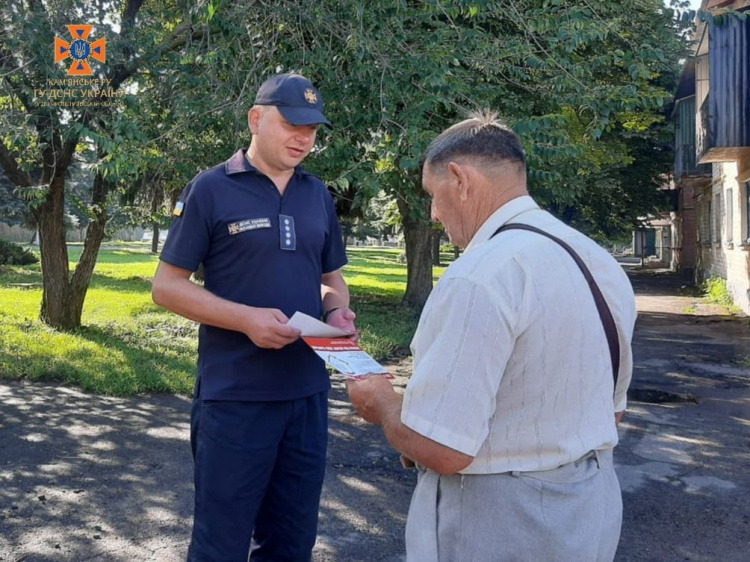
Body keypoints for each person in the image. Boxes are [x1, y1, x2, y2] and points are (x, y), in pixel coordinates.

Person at [347, 112, 637, 562]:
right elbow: (609, 411)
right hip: (589, 509)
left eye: (432, 194)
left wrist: (381, 403)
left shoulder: (480, 275)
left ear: (459, 179)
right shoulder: (596, 260)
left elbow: (444, 449)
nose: (434, 213)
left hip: (501, 523)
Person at [152, 72, 357, 562]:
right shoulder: (210, 188)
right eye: (292, 125)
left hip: (307, 395)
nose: (304, 138)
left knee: (291, 543)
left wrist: (336, 309)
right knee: (220, 544)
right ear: (256, 119)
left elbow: (331, 277)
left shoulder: (317, 194)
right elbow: (167, 287)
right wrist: (246, 319)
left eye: (312, 129)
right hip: (235, 398)